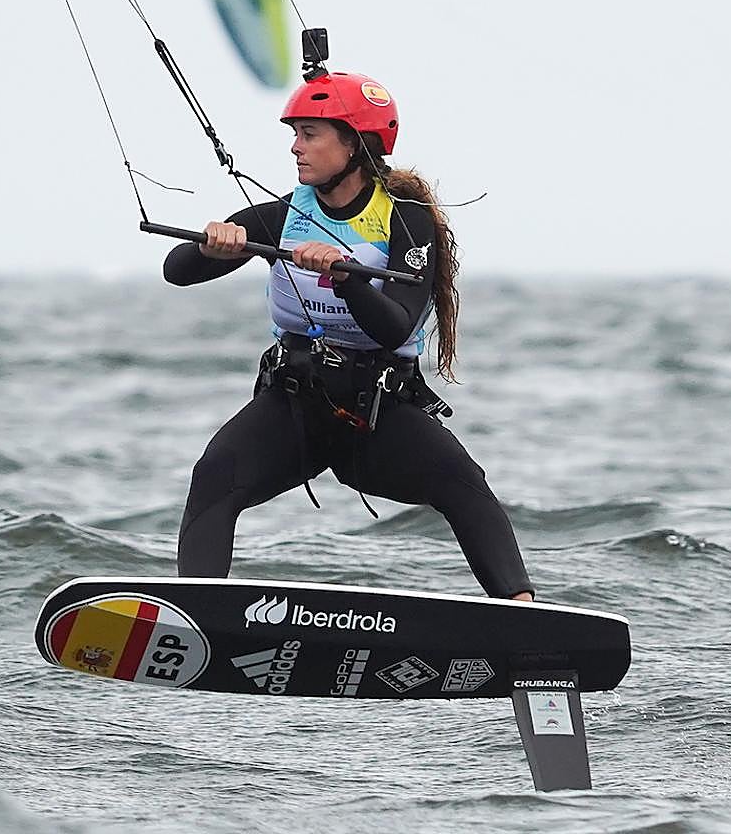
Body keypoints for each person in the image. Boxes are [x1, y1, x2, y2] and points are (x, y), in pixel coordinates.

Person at [162, 71, 534, 602]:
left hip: (378, 414)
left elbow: (396, 324)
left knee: (464, 483)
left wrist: (346, 277)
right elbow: (176, 271)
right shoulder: (283, 216)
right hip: (295, 407)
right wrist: (209, 248)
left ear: (355, 144)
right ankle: (195, 612)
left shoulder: (406, 222)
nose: (295, 147)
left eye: (310, 134)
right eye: (295, 134)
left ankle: (523, 609)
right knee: (214, 476)